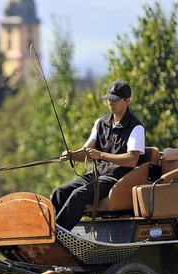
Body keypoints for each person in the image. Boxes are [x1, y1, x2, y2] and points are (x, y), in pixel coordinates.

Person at [51, 80, 145, 231]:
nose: (110, 103)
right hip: (99, 174)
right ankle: (51, 230)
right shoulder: (101, 123)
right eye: (109, 99)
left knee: (78, 195)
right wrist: (72, 155)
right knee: (59, 192)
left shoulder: (136, 127)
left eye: (115, 100)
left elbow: (132, 160)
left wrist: (100, 155)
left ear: (127, 101)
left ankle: (58, 235)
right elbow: (85, 153)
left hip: (117, 178)